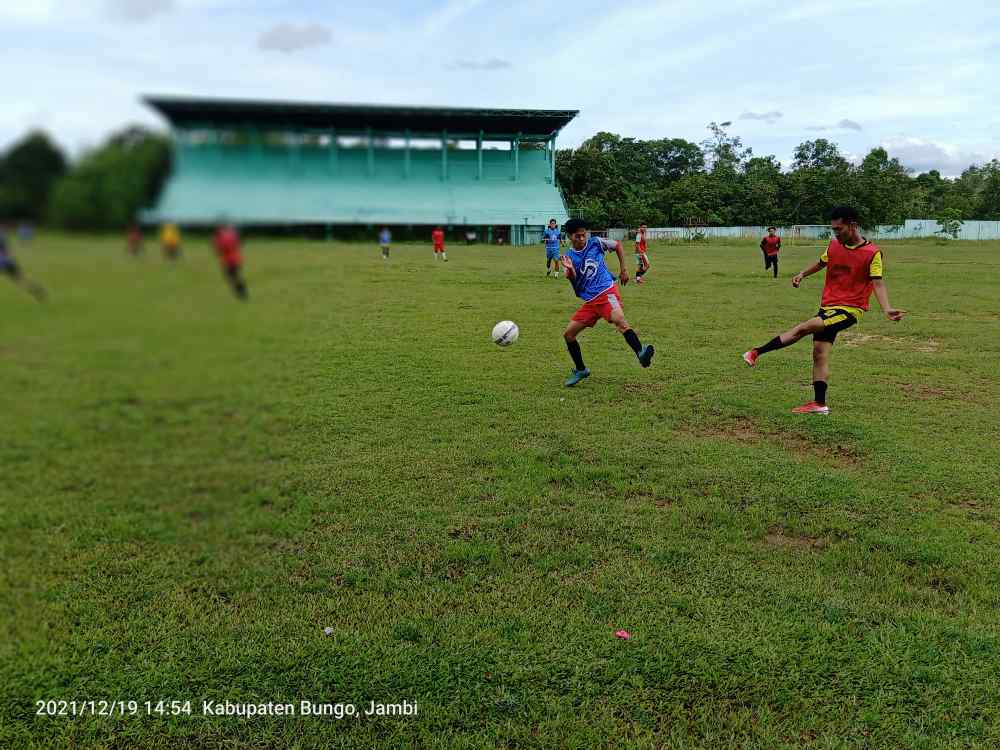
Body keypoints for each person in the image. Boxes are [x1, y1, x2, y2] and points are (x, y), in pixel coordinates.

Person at [742, 206, 904, 414]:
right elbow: (821, 263)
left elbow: (878, 283)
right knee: (819, 353)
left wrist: (886, 308)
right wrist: (802, 274)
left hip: (850, 309)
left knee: (806, 326)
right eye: (833, 229)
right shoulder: (834, 246)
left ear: (853, 226)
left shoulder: (872, 253)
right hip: (828, 307)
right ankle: (819, 404)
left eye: (839, 229)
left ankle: (756, 352)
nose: (836, 233)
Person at [560, 217, 654, 386]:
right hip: (590, 301)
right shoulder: (568, 257)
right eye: (577, 236)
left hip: (606, 291)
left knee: (620, 320)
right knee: (569, 335)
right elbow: (574, 282)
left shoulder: (596, 242)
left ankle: (641, 352)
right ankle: (581, 370)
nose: (581, 239)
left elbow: (617, 245)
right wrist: (570, 271)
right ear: (569, 236)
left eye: (583, 235)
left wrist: (623, 269)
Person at [0, 228, 46, 301]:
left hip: (3, 262)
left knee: (19, 280)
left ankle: (36, 290)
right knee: (20, 280)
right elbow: (8, 250)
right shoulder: (3, 235)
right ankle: (36, 289)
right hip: (9, 261)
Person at [213, 223, 248, 300]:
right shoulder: (232, 234)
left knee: (231, 277)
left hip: (228, 260)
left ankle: (241, 292)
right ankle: (242, 291)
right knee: (235, 276)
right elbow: (240, 243)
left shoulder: (219, 238)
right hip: (237, 258)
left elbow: (219, 249)